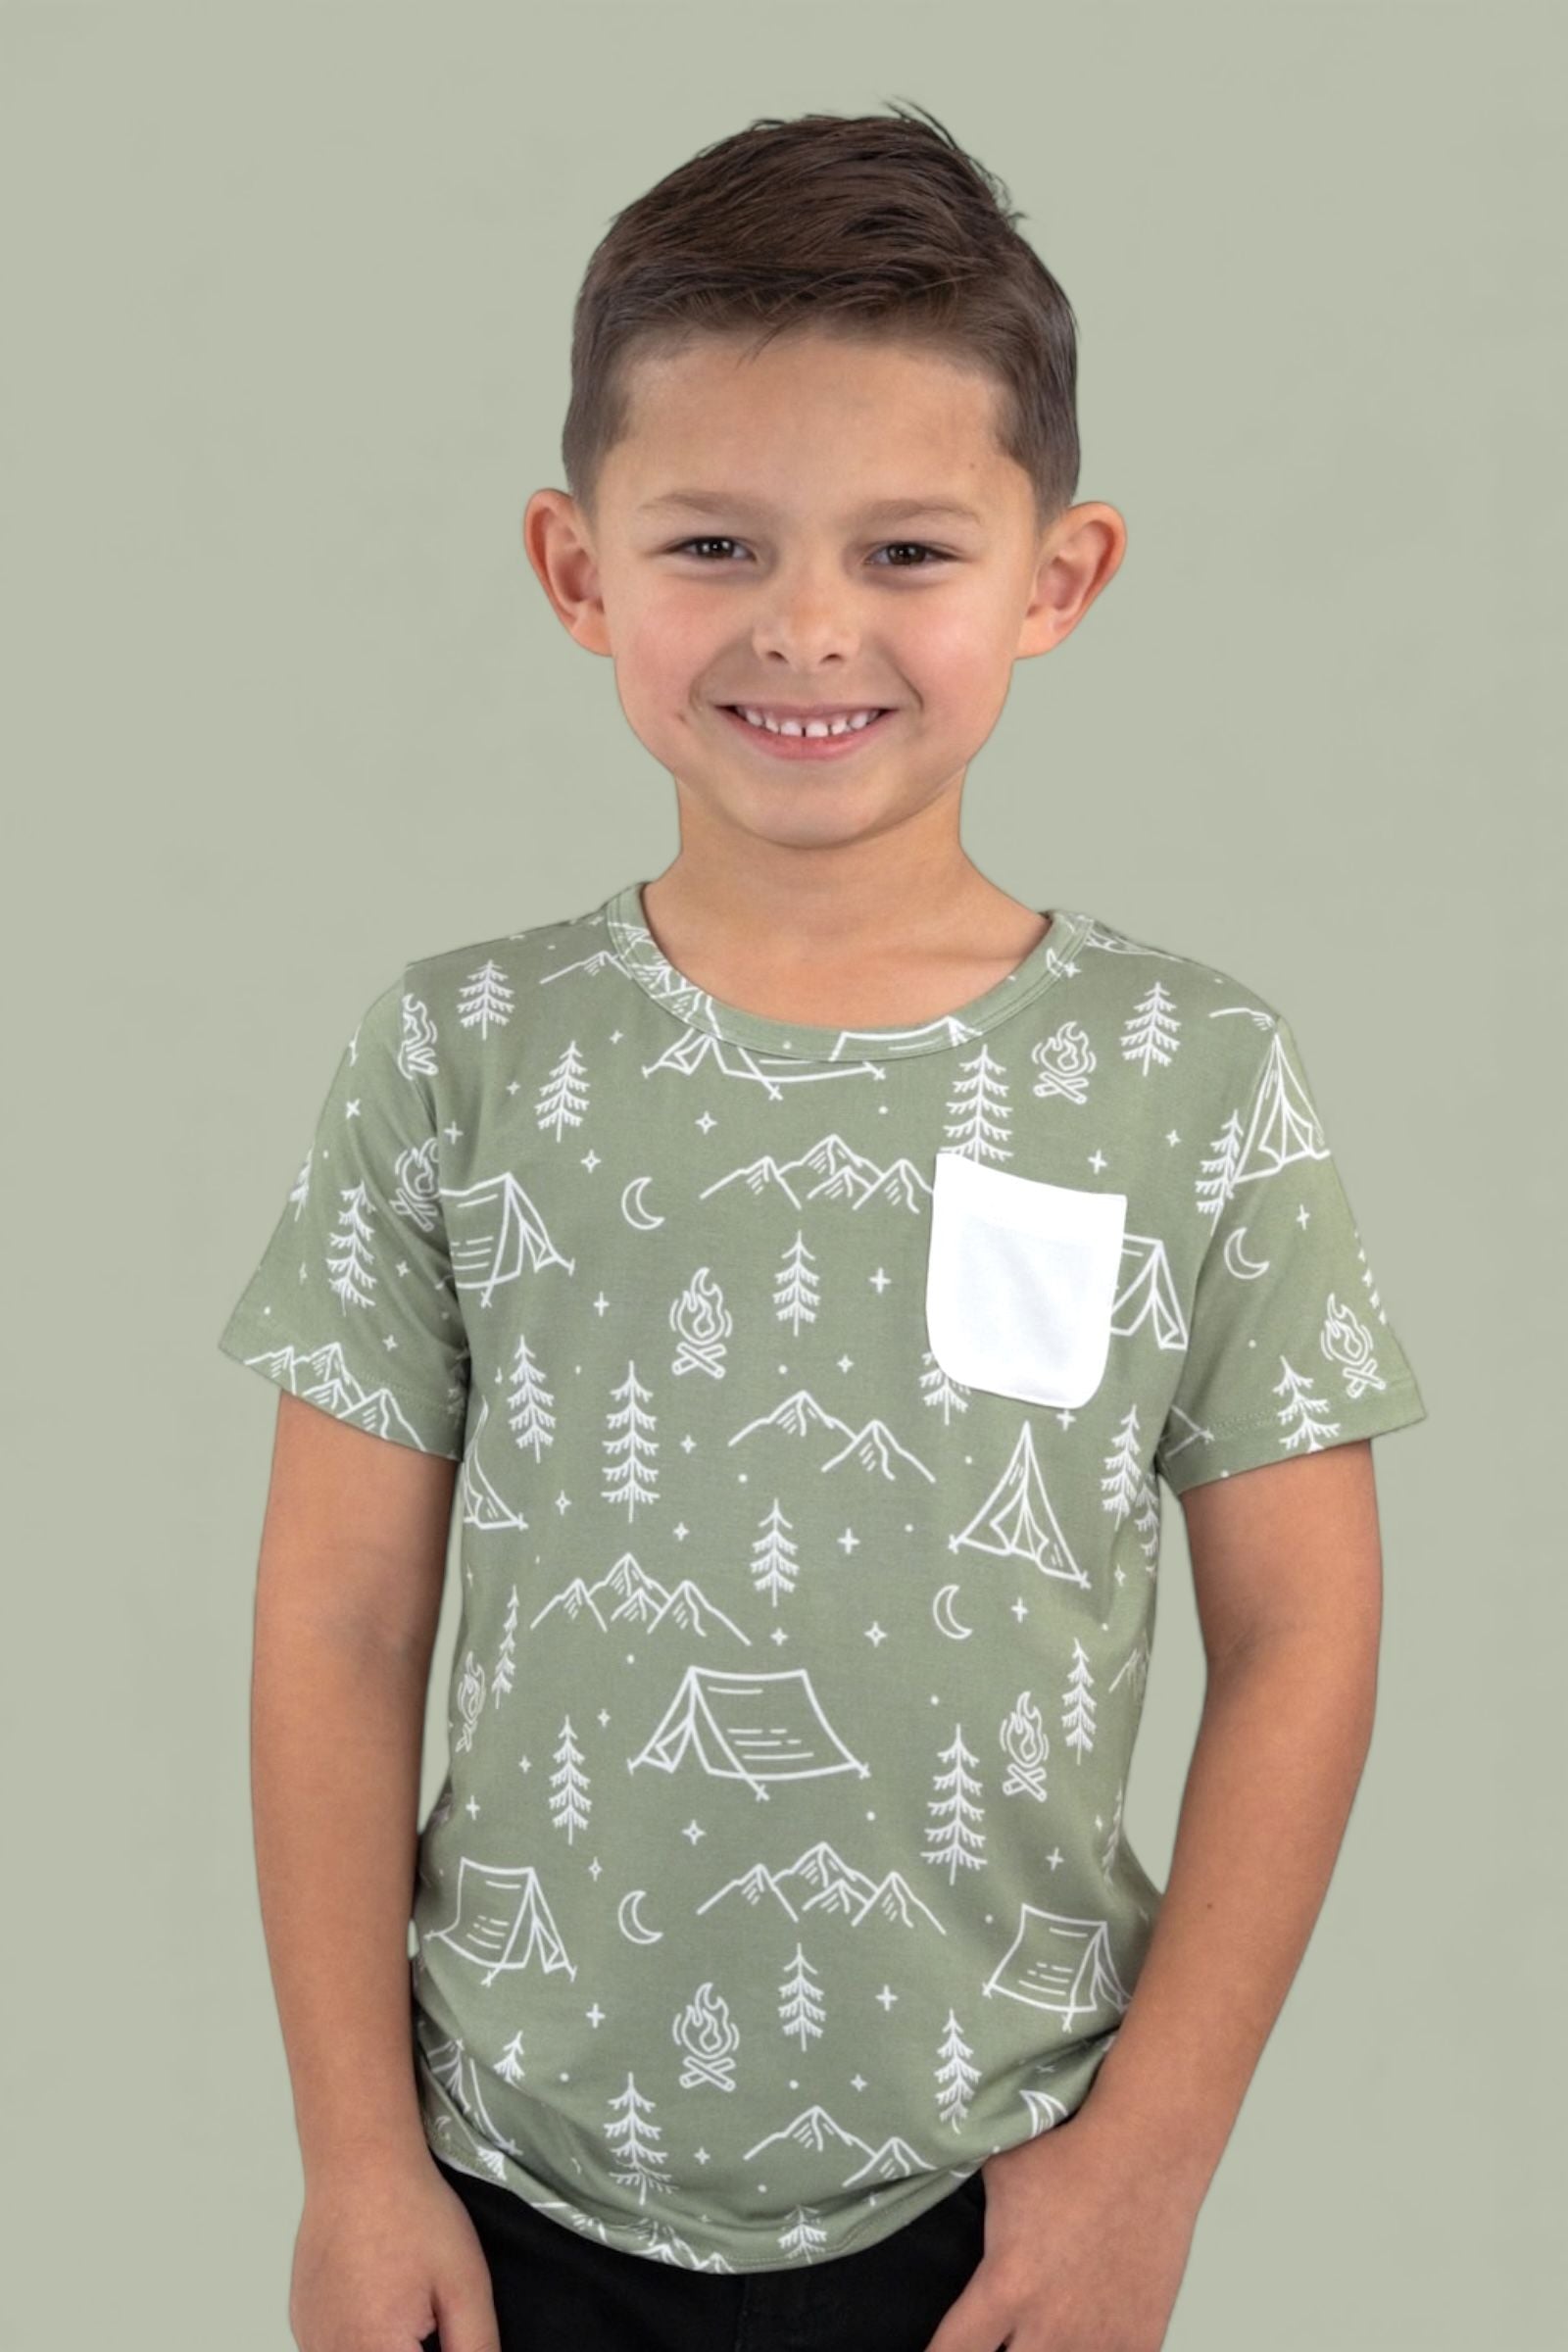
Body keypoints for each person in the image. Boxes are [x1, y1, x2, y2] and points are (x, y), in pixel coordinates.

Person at [217, 100, 1429, 2352]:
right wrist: (355, 2158)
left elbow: (1300, 1636)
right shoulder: (458, 1053)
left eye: (903, 551)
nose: (803, 628)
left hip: (993, 2206)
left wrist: (1146, 2167)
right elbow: (338, 1621)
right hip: (500, 2191)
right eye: (711, 544)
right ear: (574, 570)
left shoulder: (1184, 1075)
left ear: (1054, 579)